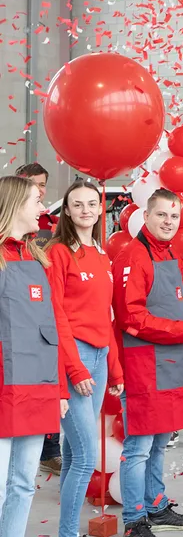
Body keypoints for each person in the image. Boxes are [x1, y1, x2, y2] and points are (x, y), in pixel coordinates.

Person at [111, 188, 183, 537]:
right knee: (139, 447)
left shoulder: (169, 252)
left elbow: (163, 301)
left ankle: (156, 506)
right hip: (144, 365)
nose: (168, 221)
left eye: (174, 216)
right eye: (161, 214)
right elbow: (131, 317)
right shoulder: (133, 256)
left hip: (170, 361)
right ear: (146, 216)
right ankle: (134, 520)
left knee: (160, 442)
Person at [46, 181, 125, 537]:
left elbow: (105, 315)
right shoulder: (59, 252)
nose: (85, 210)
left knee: (73, 451)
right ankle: (67, 533)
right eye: (77, 204)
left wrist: (115, 369)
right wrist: (75, 369)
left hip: (99, 357)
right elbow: (56, 315)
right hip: (74, 357)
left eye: (92, 204)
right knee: (85, 457)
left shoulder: (101, 254)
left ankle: (67, 530)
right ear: (66, 210)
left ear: (100, 208)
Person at [0, 176, 75, 536]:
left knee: (24, 483)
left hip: (36, 386)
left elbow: (51, 330)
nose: (42, 209)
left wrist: (58, 390)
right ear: (14, 205)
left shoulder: (38, 258)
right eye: (36, 201)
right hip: (4, 387)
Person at [15, 163, 63, 475]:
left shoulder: (52, 226)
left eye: (42, 184)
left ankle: (50, 451)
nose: (40, 190)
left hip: (46, 314)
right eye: (32, 184)